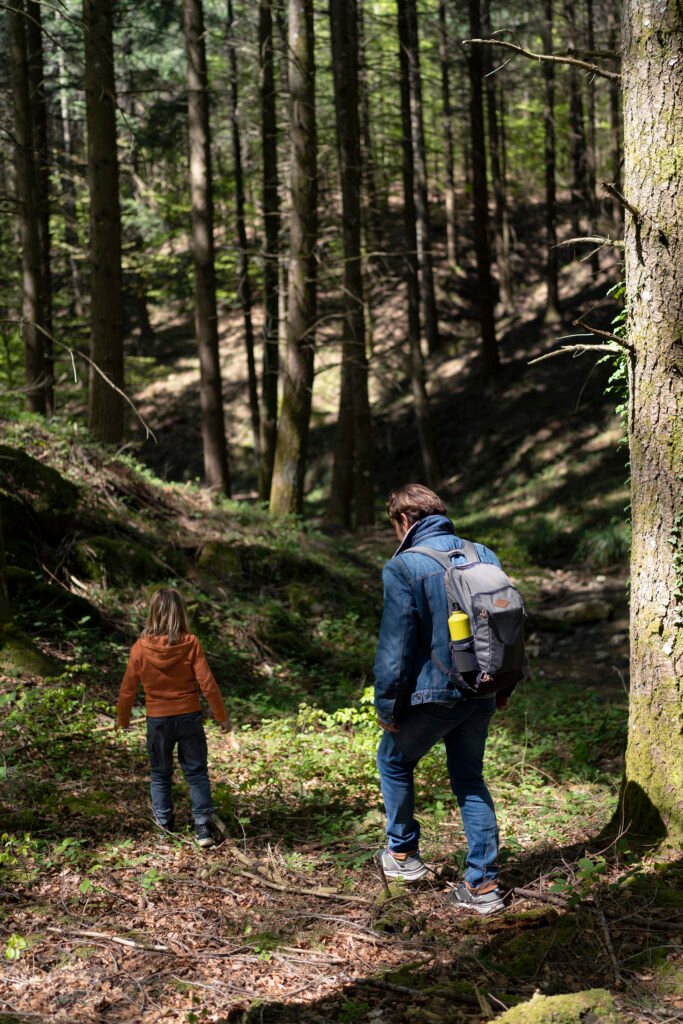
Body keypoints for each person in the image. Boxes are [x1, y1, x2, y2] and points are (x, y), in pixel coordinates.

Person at [374, 484, 507, 915]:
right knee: (469, 779)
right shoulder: (483, 553)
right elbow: (506, 626)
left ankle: (402, 855)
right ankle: (483, 885)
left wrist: (388, 707)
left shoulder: (405, 566)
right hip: (482, 689)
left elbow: (395, 646)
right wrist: (501, 685)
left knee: (393, 761)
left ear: (404, 521)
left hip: (433, 695)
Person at [117, 587, 231, 848]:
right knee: (197, 773)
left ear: (153, 612)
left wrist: (123, 720)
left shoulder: (140, 647)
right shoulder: (190, 643)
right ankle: (202, 828)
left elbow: (127, 688)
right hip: (189, 717)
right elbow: (208, 683)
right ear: (180, 612)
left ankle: (164, 827)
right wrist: (221, 716)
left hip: (158, 721)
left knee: (160, 775)